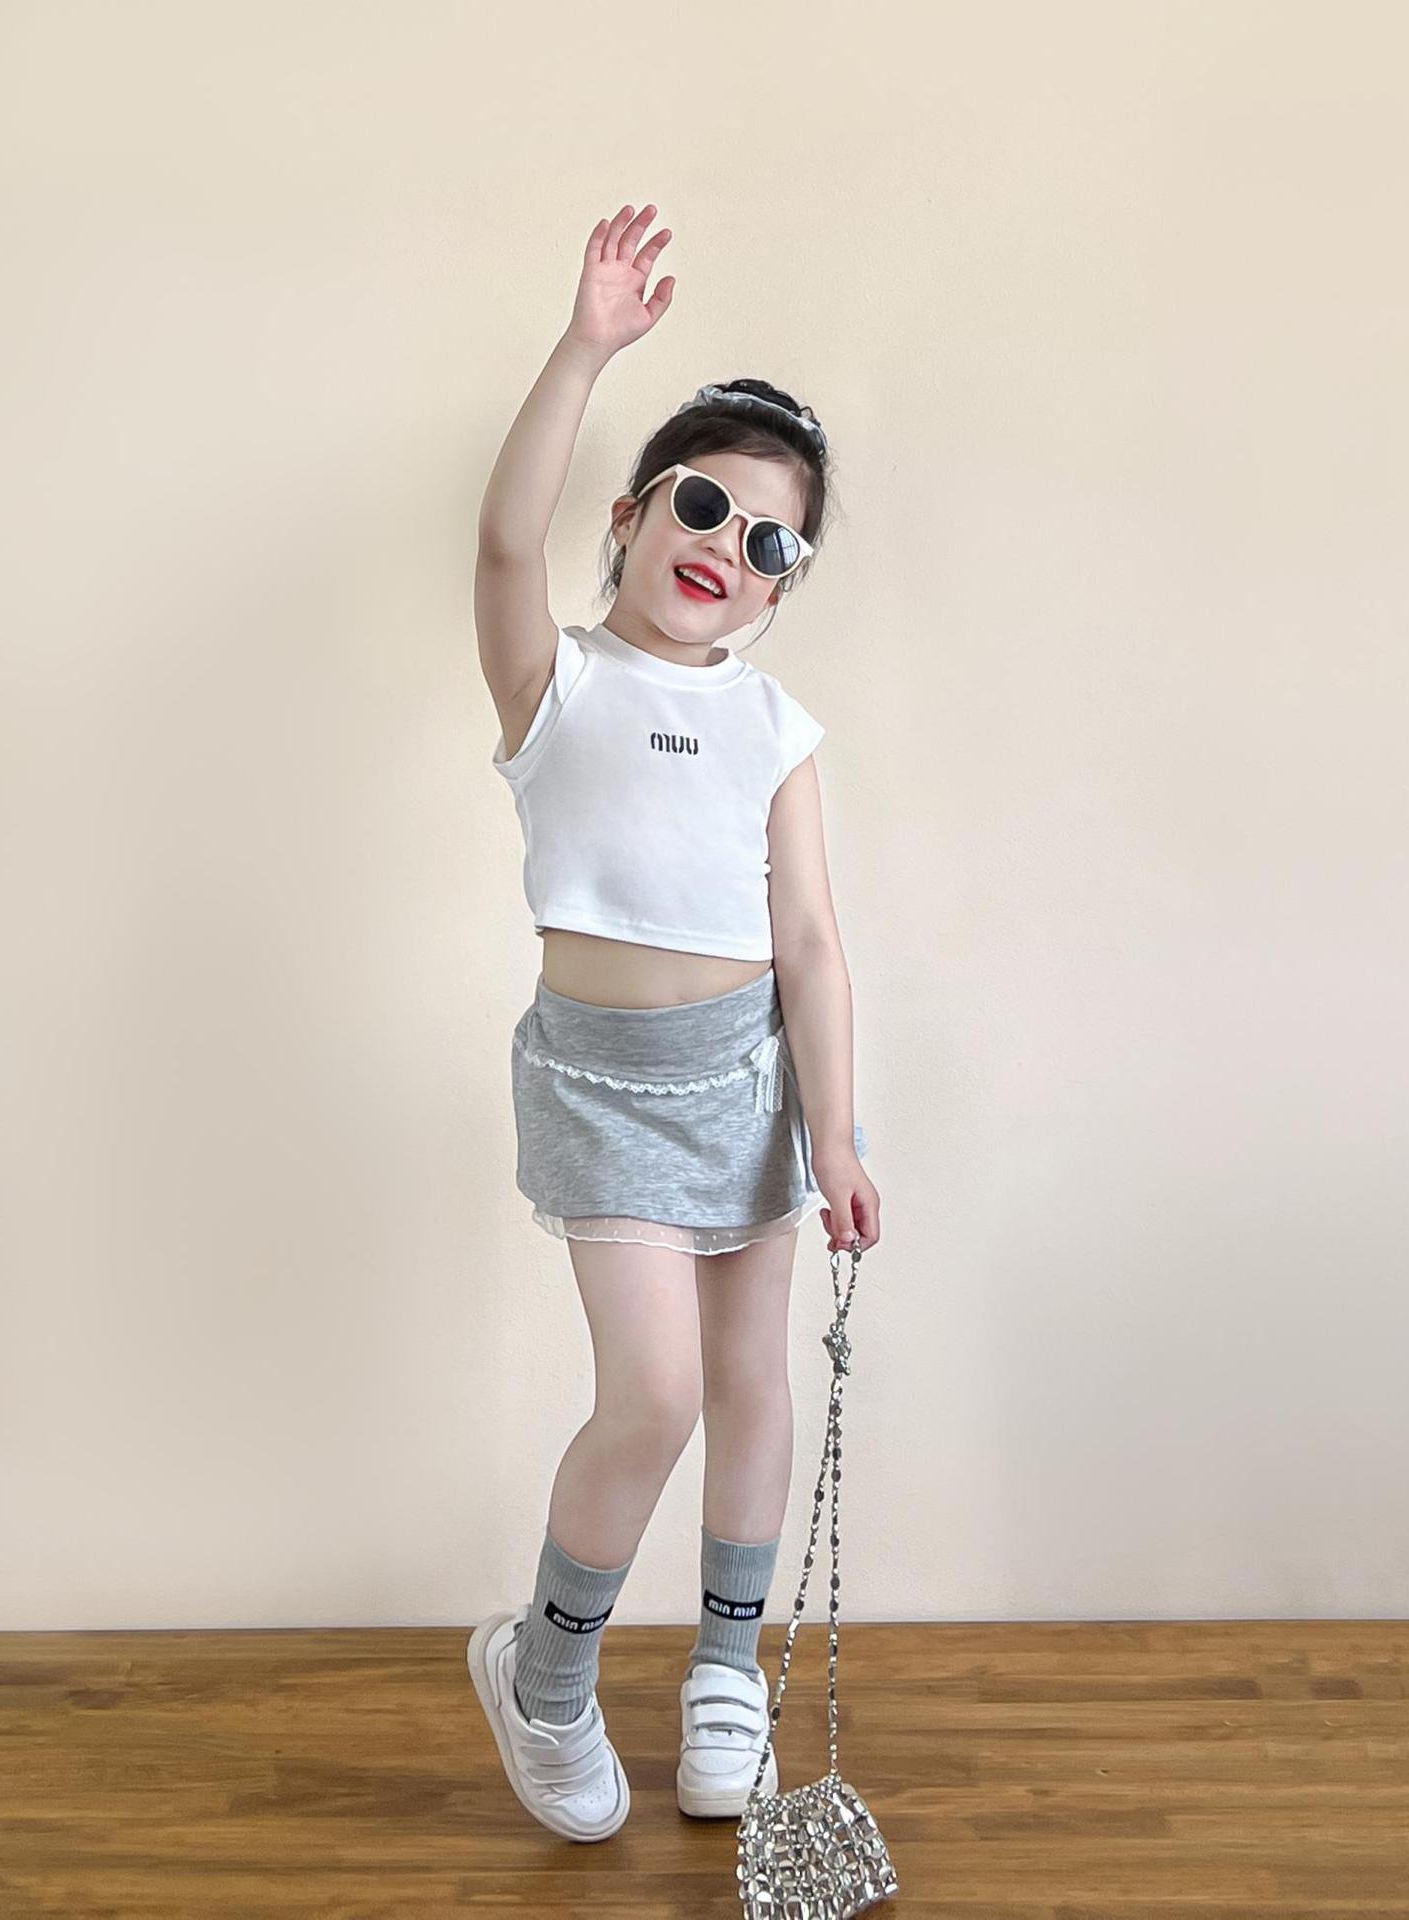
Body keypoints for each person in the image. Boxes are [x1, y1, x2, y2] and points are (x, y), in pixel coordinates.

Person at [466, 203, 881, 1842]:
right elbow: (505, 545)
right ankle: (547, 1673)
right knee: (656, 1395)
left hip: (749, 1082)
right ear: (634, 516)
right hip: (601, 1087)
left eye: (773, 542)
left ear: (783, 590)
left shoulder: (775, 725)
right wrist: (586, 349)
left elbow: (813, 944)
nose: (729, 546)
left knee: (751, 1384)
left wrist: (836, 1133)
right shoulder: (555, 685)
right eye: (705, 505)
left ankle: (725, 1670)